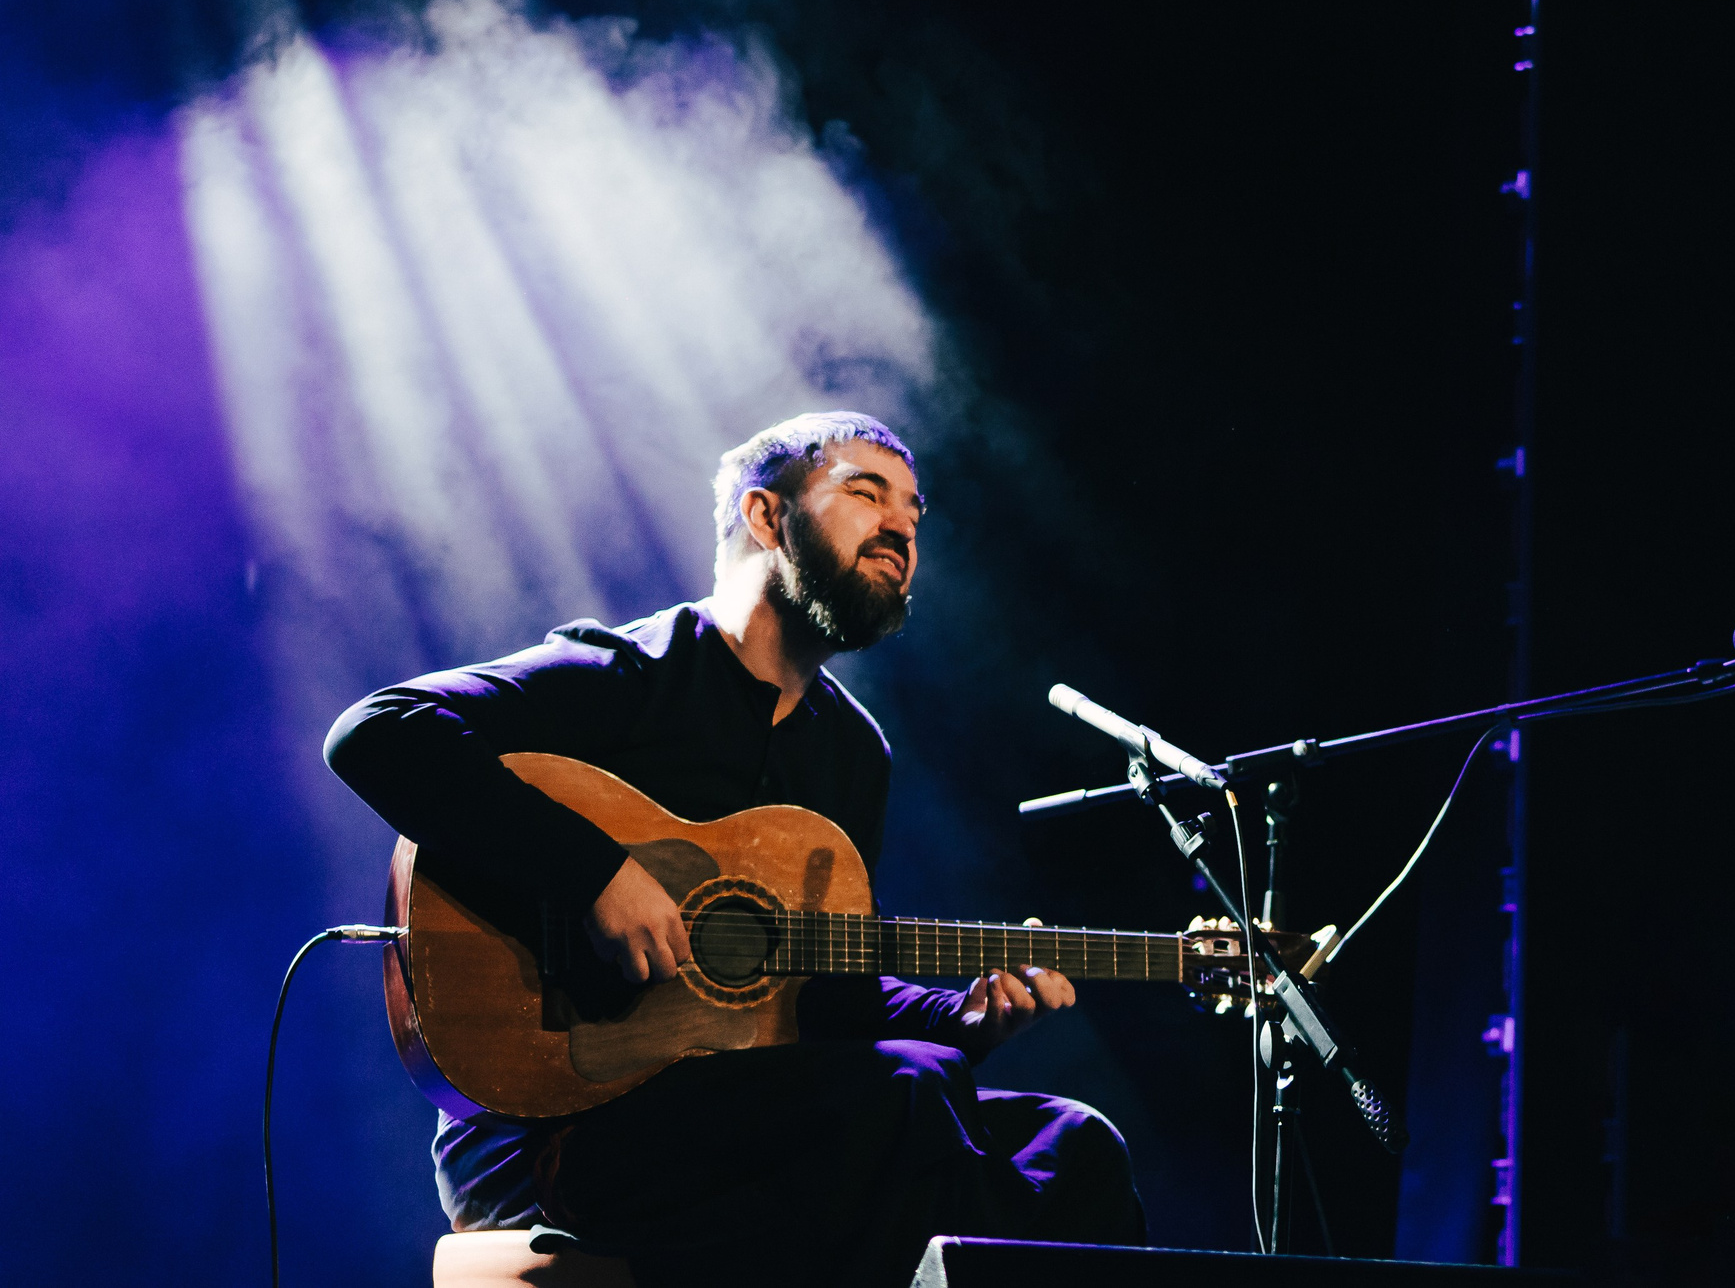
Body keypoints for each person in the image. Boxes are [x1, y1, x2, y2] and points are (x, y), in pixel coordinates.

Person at [326, 410, 1145, 1286]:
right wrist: (595, 875)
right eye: (866, 494)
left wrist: (963, 1019)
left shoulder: (853, 752)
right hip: (559, 1129)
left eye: (913, 510)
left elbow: (823, 998)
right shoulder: (625, 678)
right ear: (765, 516)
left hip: (762, 1114)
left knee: (1074, 1144)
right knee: (906, 1094)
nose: (901, 526)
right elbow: (377, 731)